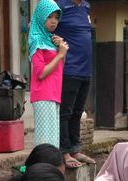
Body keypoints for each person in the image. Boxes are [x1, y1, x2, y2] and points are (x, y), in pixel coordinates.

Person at [55, 0, 95, 167]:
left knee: (78, 112)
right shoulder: (59, 5)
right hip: (69, 69)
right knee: (66, 112)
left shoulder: (86, 6)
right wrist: (54, 39)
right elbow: (43, 27)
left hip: (86, 70)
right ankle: (64, 152)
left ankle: (75, 149)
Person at [29, 0, 68, 149]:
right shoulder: (36, 40)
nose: (53, 21)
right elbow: (40, 73)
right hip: (43, 95)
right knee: (45, 142)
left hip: (53, 93)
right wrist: (59, 55)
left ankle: (47, 170)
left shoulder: (50, 40)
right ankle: (37, 171)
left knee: (53, 142)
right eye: (49, 17)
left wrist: (60, 49)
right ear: (40, 17)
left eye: (56, 17)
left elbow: (58, 69)